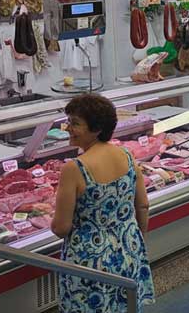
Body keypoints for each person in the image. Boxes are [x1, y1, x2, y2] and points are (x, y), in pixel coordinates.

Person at [52, 94, 154, 312]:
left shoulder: (74, 168)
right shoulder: (126, 156)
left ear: (96, 129)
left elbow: (61, 228)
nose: (68, 128)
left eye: (75, 123)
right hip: (129, 248)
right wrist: (137, 240)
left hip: (89, 261)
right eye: (69, 121)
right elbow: (143, 205)